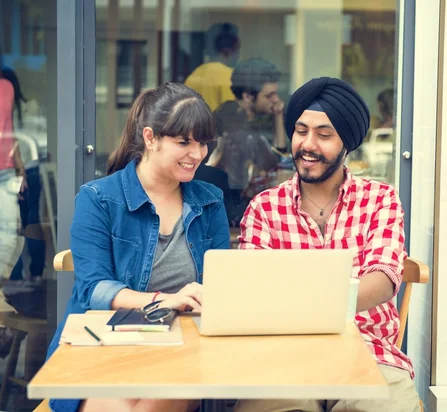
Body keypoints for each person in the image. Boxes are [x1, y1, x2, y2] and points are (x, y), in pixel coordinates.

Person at [235, 77, 421, 412]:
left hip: (368, 352)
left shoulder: (380, 199)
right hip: (282, 357)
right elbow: (254, 293)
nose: (308, 144)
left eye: (324, 135)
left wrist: (294, 303)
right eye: (301, 131)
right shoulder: (265, 207)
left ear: (347, 142)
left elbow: (381, 282)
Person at [46, 83, 230, 412]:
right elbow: (94, 289)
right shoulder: (99, 198)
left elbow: (222, 284)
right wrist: (164, 301)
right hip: (106, 344)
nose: (198, 154)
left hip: (182, 350)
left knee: (167, 390)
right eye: (184, 142)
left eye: (202, 142)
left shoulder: (210, 201)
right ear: (150, 138)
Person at [207, 58, 288, 218]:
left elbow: (280, 159)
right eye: (269, 95)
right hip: (228, 206)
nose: (276, 100)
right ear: (247, 96)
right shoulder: (230, 120)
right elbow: (275, 166)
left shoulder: (254, 119)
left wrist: (278, 117)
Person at [0, 67, 27, 278]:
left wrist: (20, 169)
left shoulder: (6, 87)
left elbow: (11, 132)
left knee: (9, 236)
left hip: (6, 172)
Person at [184, 22, 240, 112]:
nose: (238, 56)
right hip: (219, 125)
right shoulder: (229, 76)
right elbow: (233, 112)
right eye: (238, 50)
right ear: (228, 50)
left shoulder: (195, 74)